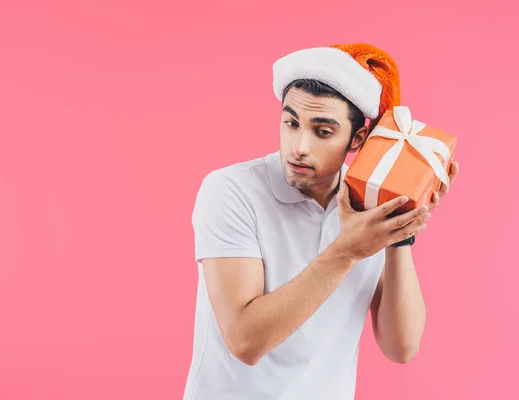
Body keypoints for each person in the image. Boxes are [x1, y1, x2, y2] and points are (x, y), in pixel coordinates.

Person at [182, 43, 460, 400]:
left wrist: (400, 229)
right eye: (291, 122)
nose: (299, 146)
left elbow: (400, 347)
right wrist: (346, 251)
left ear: (357, 138)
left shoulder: (367, 205)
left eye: (323, 131)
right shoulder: (231, 190)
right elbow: (245, 340)